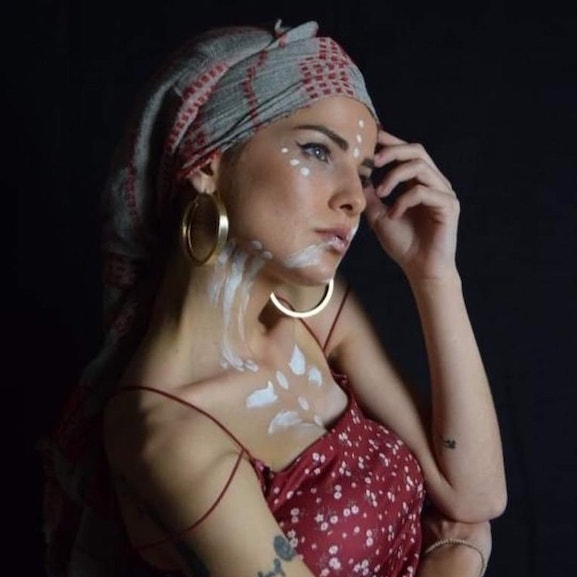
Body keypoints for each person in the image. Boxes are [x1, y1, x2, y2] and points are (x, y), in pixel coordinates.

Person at [41, 18, 507, 577]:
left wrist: (433, 276)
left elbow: (475, 495)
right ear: (207, 162)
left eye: (361, 171)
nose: (354, 199)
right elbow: (467, 526)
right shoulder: (169, 433)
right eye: (317, 150)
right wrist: (459, 554)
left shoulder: (310, 309)